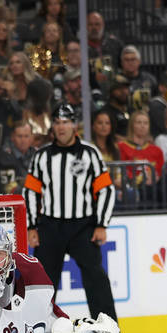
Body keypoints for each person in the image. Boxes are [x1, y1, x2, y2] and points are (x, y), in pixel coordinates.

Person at [23, 103, 118, 321]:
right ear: (52, 127)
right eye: (57, 122)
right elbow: (30, 192)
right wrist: (32, 226)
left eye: (65, 122)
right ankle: (36, 329)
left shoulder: (90, 153)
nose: (61, 127)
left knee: (96, 278)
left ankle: (109, 329)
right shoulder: (41, 157)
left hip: (83, 227)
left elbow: (105, 189)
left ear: (74, 125)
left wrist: (102, 224)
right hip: (50, 226)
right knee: (43, 284)